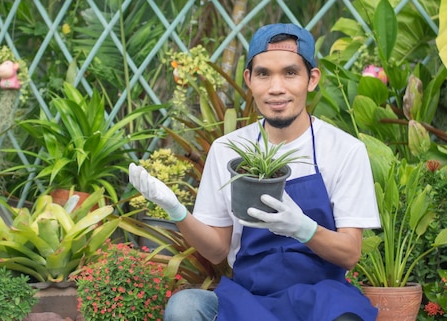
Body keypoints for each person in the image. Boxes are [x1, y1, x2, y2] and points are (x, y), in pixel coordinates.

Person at [129, 23, 381, 321]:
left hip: (322, 299)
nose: (276, 88)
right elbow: (216, 251)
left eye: (290, 73)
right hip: (250, 300)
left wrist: (303, 228)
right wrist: (177, 211)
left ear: (311, 79)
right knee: (185, 307)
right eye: (264, 74)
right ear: (249, 79)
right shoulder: (227, 150)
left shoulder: (344, 150)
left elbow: (350, 254)